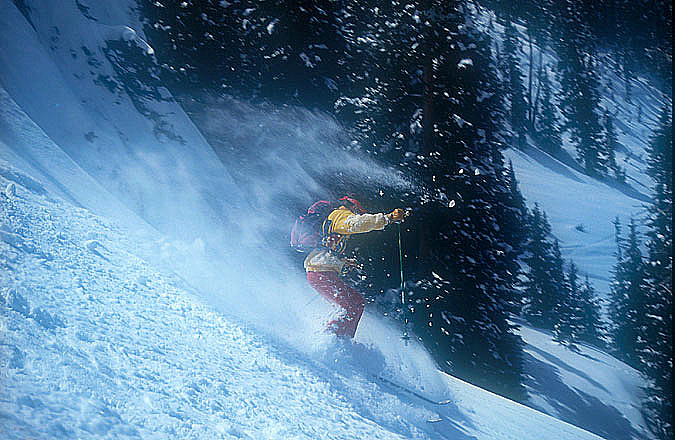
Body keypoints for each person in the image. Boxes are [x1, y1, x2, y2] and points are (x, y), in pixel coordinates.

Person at [305, 196, 406, 338]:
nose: (358, 215)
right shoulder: (339, 214)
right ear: (352, 207)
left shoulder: (335, 219)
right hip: (320, 272)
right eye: (359, 212)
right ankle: (331, 338)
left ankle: (338, 338)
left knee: (353, 304)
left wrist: (343, 263)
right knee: (354, 304)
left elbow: (328, 250)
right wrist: (388, 218)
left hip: (320, 272)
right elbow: (357, 224)